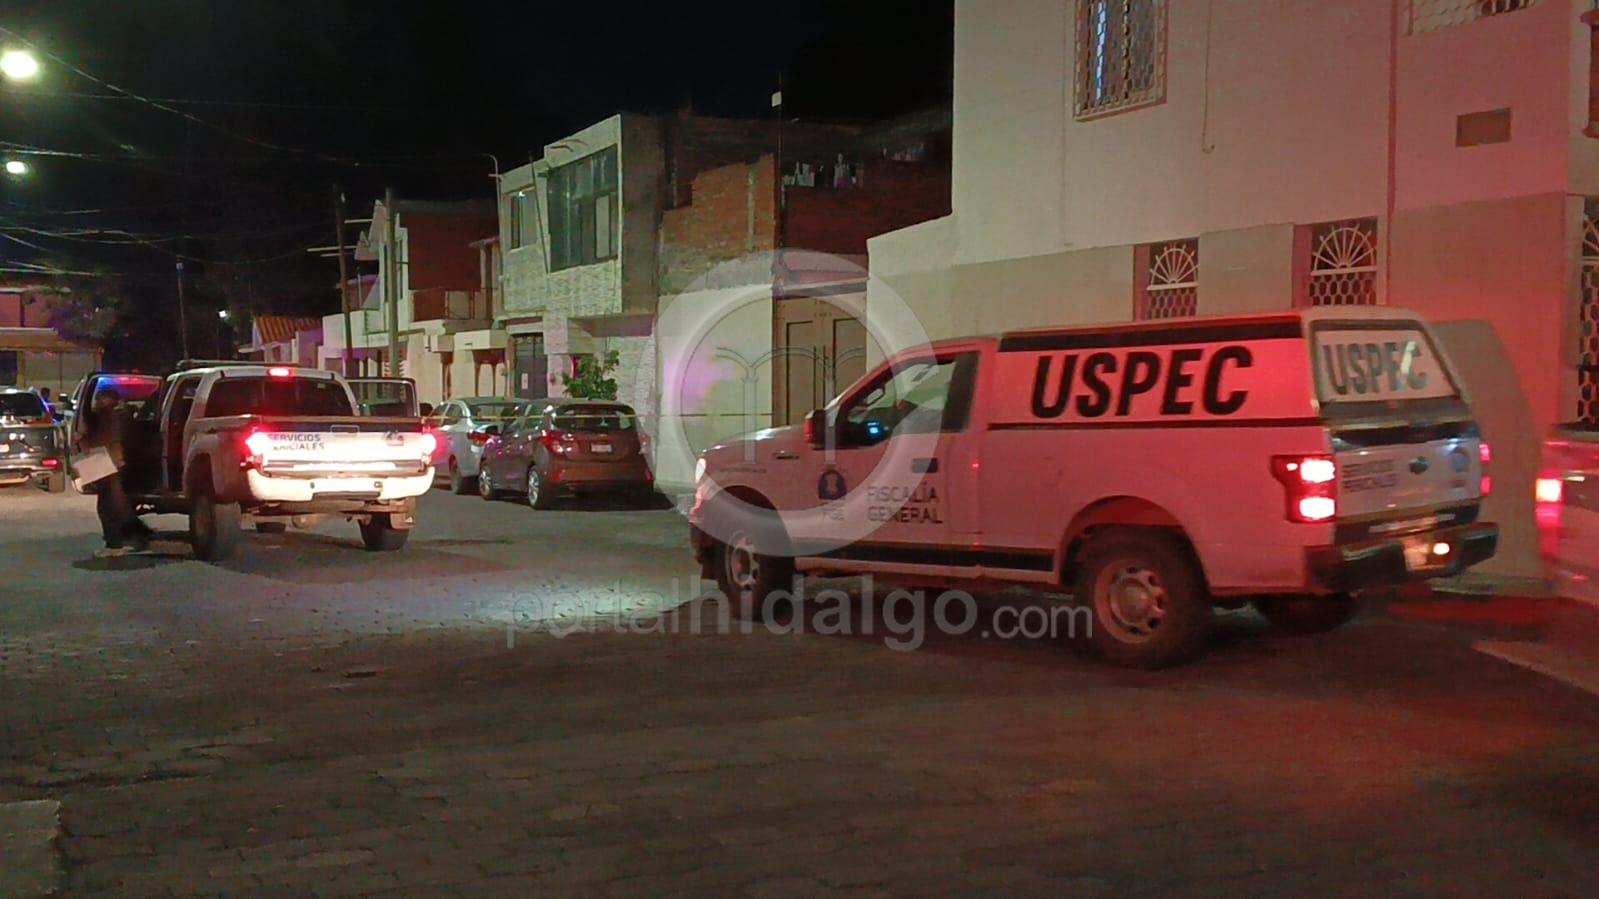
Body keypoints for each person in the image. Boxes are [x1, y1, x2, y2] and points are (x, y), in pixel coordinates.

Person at [73, 387, 151, 553]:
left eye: (101, 398)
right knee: (114, 502)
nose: (98, 401)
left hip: (103, 462)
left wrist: (82, 440)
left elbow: (98, 437)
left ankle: (121, 538)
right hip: (113, 461)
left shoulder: (103, 416)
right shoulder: (118, 416)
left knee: (110, 505)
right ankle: (128, 536)